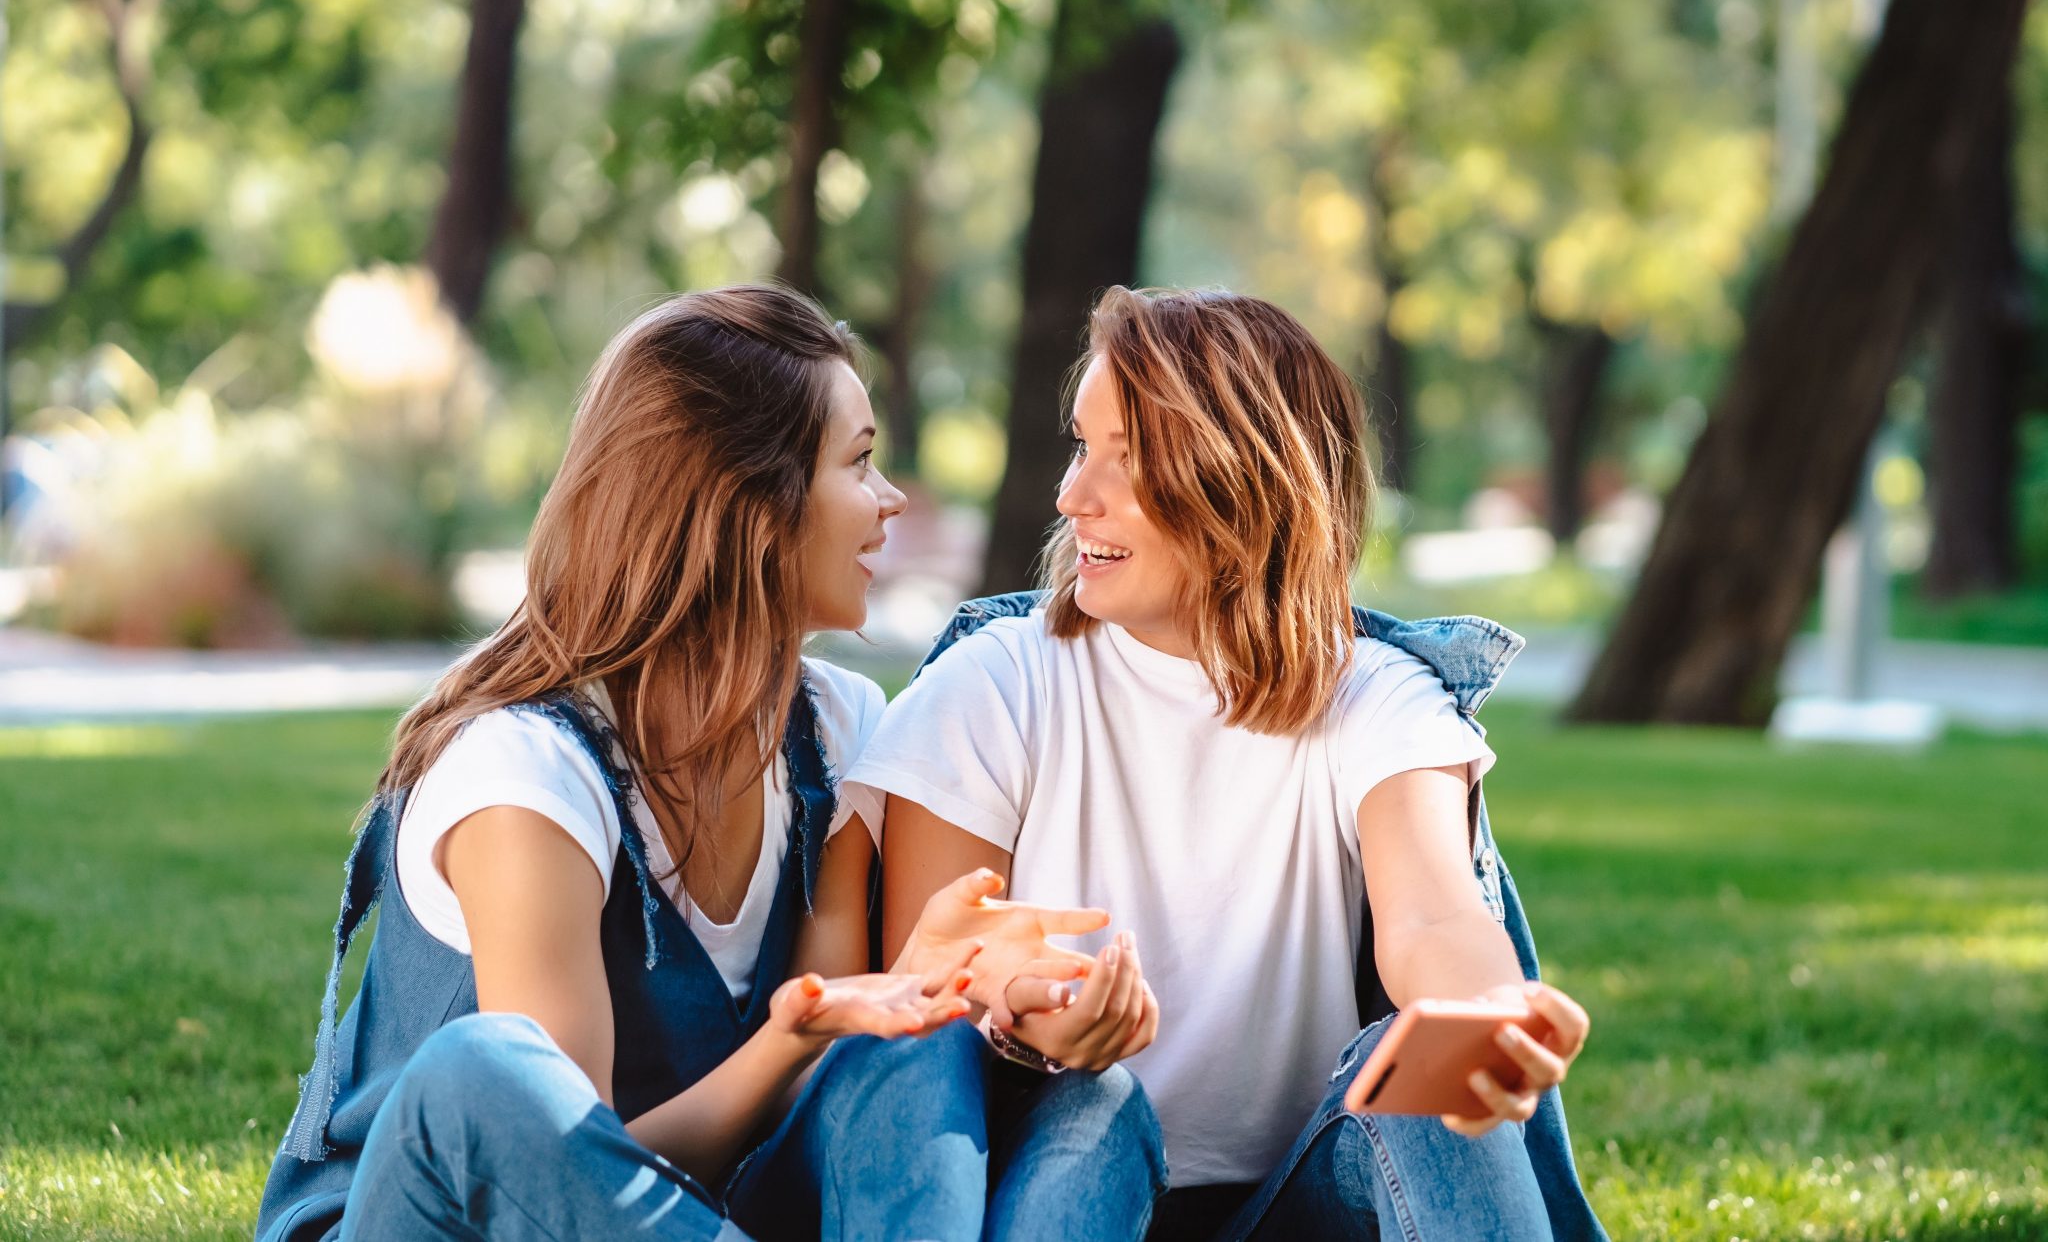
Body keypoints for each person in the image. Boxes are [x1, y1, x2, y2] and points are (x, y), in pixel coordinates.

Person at [255, 285, 1160, 1242]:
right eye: (859, 462)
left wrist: (924, 992)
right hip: (453, 1216)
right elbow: (568, 1177)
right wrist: (785, 1041)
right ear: (746, 505)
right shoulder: (524, 775)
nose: (890, 499)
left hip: (701, 1216)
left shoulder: (838, 726)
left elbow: (845, 1093)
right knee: (483, 1075)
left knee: (1050, 1094)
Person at [848, 286, 1609, 1240]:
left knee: (1424, 1084)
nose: (1072, 494)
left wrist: (1496, 1016)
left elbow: (1432, 919)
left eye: (1126, 459)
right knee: (1095, 1112)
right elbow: (927, 1000)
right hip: (1065, 1182)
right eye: (1083, 447)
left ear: (1242, 480)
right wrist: (1029, 1014)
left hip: (1292, 1203)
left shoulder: (1378, 696)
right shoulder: (993, 685)